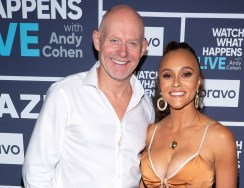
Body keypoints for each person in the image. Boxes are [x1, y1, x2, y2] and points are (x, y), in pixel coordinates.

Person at [22, 5, 155, 188]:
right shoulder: (65, 94)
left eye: (132, 43)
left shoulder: (146, 106)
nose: (123, 52)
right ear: (97, 40)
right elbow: (36, 172)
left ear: (143, 48)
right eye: (114, 40)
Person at [140, 41, 238, 188]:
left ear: (198, 82)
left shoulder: (219, 137)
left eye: (186, 74)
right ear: (160, 84)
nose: (176, 83)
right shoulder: (150, 134)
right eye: (167, 75)